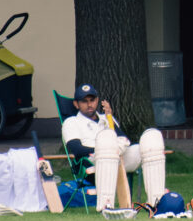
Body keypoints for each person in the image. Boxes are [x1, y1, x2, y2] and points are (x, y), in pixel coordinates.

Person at [61, 82, 167, 212]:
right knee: (107, 141)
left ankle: (157, 203)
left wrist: (109, 118)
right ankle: (106, 206)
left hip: (119, 156)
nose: (89, 104)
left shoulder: (106, 118)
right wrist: (106, 150)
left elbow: (124, 139)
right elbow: (77, 150)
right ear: (76, 104)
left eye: (92, 100)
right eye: (84, 101)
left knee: (152, 138)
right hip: (92, 161)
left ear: (98, 100)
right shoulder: (71, 122)